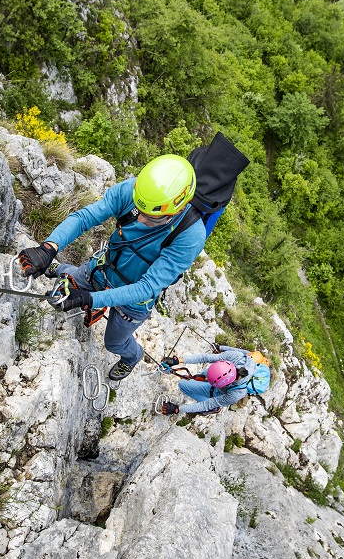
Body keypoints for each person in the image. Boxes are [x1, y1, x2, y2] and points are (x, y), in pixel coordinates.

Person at [18, 154, 206, 381]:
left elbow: (147, 288)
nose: (143, 220)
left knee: (114, 343)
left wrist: (90, 299)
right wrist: (49, 247)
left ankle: (132, 358)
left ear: (178, 208)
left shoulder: (190, 235)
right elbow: (85, 217)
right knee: (70, 284)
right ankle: (59, 266)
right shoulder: (133, 192)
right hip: (103, 269)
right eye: (140, 210)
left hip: (134, 302)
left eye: (153, 218)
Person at [159, 345, 258, 415]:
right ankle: (205, 378)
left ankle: (215, 409)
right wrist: (177, 361)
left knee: (182, 384)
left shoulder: (236, 393)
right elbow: (205, 358)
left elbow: (207, 405)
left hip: (220, 392)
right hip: (219, 377)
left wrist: (177, 409)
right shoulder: (237, 357)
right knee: (202, 375)